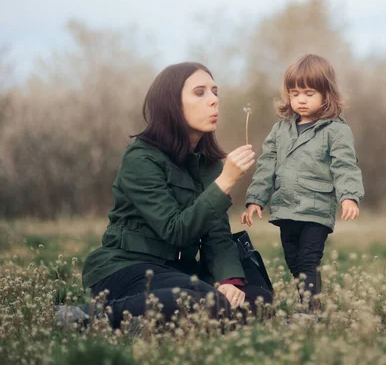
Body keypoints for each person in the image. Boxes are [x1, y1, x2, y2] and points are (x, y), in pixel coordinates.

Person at [79, 62, 272, 329]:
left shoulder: (209, 164)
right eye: (200, 92)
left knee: (258, 300)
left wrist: (230, 282)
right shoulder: (141, 157)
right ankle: (92, 317)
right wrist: (225, 182)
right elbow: (174, 230)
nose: (214, 100)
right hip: (127, 267)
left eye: (215, 91)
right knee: (203, 300)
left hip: (176, 272)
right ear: (172, 104)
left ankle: (163, 315)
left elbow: (217, 235)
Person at [241, 54, 364, 310]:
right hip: (286, 208)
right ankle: (311, 303)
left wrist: (348, 196)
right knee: (294, 260)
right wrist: (255, 199)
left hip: (315, 209)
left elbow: (344, 165)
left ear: (326, 94)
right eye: (295, 93)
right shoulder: (280, 129)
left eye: (309, 93)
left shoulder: (335, 130)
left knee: (308, 260)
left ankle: (310, 311)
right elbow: (267, 166)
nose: (301, 99)